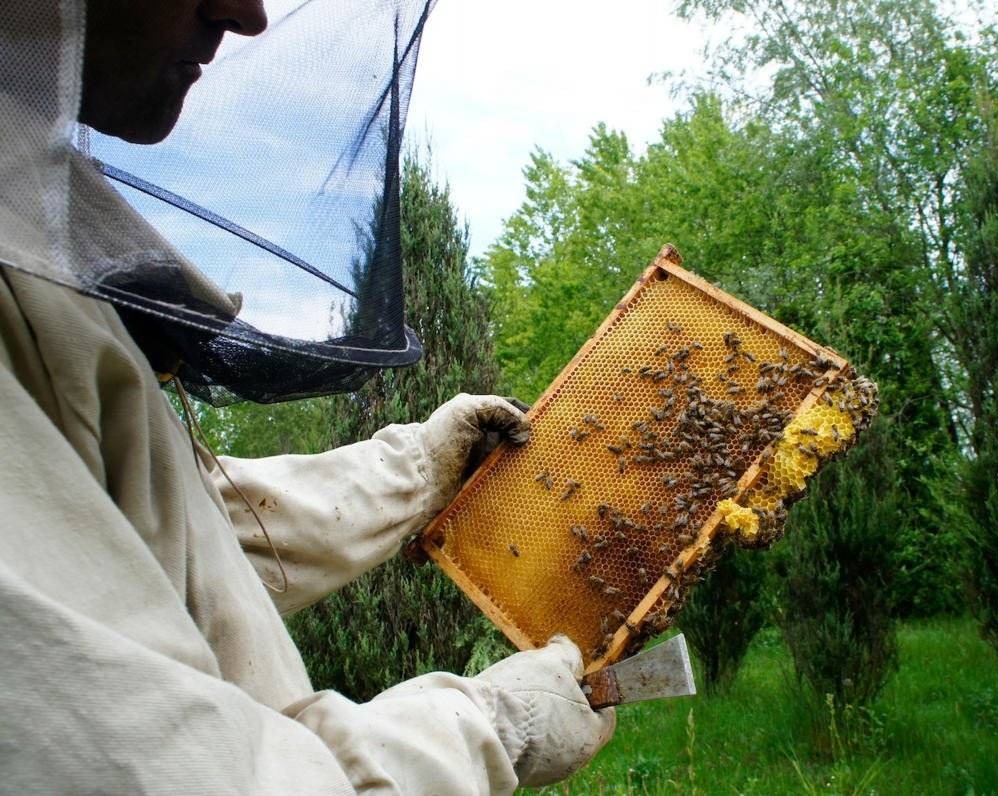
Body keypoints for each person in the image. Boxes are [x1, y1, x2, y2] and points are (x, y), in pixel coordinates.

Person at [0, 1, 614, 792]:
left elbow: (165, 536)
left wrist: (415, 470)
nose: (247, 16)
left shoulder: (30, 245)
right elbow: (179, 776)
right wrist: (491, 729)